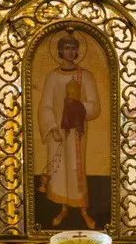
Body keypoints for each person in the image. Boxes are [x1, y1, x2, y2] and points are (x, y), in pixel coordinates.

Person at [36, 32, 102, 229]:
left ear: (77, 51)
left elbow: (95, 105)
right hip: (58, 133)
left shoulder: (86, 76)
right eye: (66, 48)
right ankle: (63, 208)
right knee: (60, 170)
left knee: (75, 168)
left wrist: (78, 108)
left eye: (73, 48)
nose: (70, 52)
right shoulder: (53, 77)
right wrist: (53, 128)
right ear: (60, 51)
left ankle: (83, 210)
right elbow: (45, 105)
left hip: (77, 132)